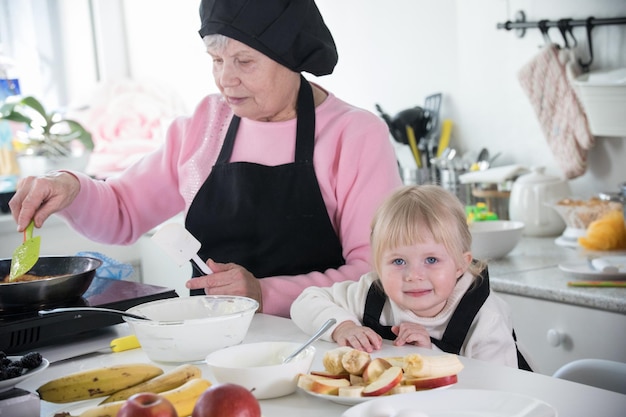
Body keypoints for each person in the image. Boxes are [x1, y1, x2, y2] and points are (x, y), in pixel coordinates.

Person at [8, 0, 402, 318]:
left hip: (325, 346)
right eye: (216, 59)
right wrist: (69, 187)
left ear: (289, 58)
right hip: (212, 344)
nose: (225, 79)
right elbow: (123, 211)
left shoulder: (355, 134)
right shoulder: (205, 124)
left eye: (244, 62)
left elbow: (376, 271)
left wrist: (264, 293)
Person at [291, 185, 532, 370]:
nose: (414, 275)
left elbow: (497, 392)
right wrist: (343, 327)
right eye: (398, 262)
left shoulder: (485, 317)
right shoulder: (371, 294)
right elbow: (305, 301)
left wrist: (431, 355)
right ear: (377, 266)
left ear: (461, 265)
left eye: (431, 260)